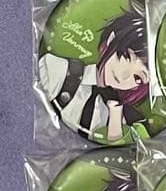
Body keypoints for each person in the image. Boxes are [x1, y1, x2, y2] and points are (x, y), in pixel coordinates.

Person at [39, 8, 150, 143]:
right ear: (110, 40)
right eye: (125, 57)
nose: (124, 76)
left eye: (138, 78)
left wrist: (115, 115)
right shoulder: (58, 71)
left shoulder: (125, 119)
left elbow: (118, 149)